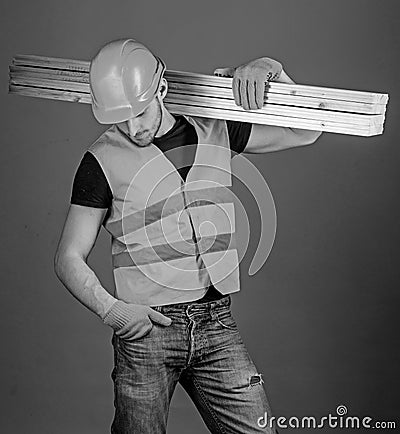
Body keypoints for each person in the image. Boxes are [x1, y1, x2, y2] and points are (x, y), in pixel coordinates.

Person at [54, 38, 322, 433]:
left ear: (160, 90)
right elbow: (68, 257)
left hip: (216, 324)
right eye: (120, 118)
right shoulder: (100, 160)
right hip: (146, 332)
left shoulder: (215, 128)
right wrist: (112, 311)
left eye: (140, 112)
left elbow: (307, 131)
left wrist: (273, 69)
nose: (133, 127)